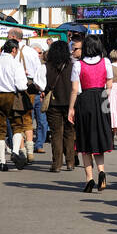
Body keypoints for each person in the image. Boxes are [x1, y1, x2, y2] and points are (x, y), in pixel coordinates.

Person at [69, 34, 113, 192]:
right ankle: (101, 171)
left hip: (85, 99)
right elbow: (109, 83)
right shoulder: (106, 62)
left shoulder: (78, 65)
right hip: (102, 99)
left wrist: (71, 108)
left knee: (85, 139)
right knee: (100, 136)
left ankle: (89, 178)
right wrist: (104, 96)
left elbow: (75, 89)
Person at [0, 39, 29, 171]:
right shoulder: (15, 63)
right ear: (14, 50)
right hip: (11, 96)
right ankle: (15, 151)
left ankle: (2, 161)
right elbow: (21, 85)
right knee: (17, 125)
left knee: (0, 129)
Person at [42, 40, 76, 172]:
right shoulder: (73, 66)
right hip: (70, 103)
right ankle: (70, 162)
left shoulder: (47, 66)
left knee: (56, 133)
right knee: (70, 132)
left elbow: (41, 84)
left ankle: (57, 164)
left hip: (53, 103)